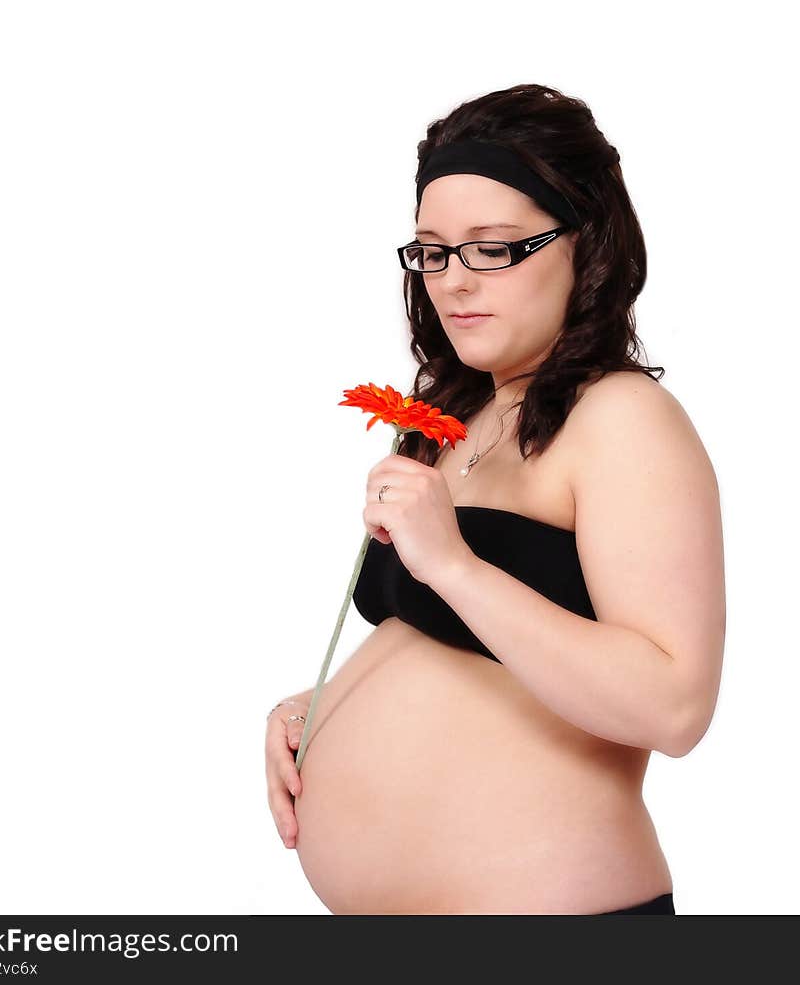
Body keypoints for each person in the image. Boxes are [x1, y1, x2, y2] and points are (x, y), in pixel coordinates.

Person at [264, 83, 725, 915]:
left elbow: (675, 704)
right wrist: (316, 708)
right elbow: (452, 654)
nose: (453, 282)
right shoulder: (452, 415)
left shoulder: (621, 418)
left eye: (494, 248)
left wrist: (453, 564)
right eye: (433, 251)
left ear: (587, 244)